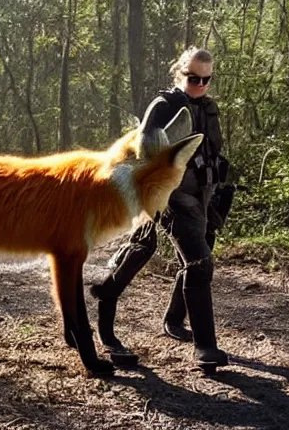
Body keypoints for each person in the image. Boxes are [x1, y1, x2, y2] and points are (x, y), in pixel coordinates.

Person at [90, 46, 231, 370]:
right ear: (179, 74)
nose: (200, 85)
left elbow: (210, 153)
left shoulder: (208, 108)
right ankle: (205, 348)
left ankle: (171, 319)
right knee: (198, 262)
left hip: (204, 195)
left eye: (206, 80)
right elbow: (146, 142)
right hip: (170, 196)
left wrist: (220, 188)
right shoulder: (165, 104)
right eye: (193, 78)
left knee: (175, 253)